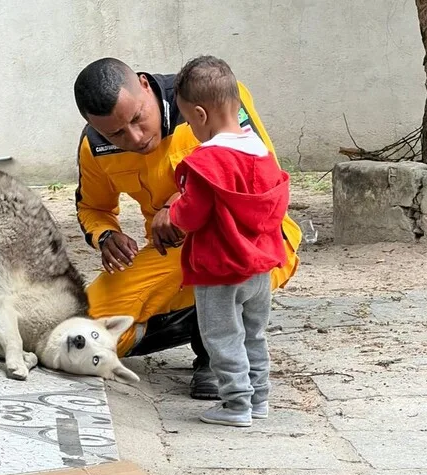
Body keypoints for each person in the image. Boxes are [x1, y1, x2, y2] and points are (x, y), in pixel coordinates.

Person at [72, 57, 301, 400]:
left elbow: (259, 176)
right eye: (115, 133)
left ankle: (215, 353)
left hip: (252, 240)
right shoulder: (95, 147)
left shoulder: (212, 97)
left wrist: (179, 203)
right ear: (95, 127)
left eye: (137, 119)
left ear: (144, 86)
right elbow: (93, 207)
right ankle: (196, 323)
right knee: (83, 333)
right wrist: (106, 235)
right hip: (175, 251)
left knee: (230, 277)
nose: (135, 138)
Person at [167, 55, 288, 426]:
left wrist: (171, 214)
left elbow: (191, 215)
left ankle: (235, 405)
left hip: (220, 269)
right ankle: (259, 398)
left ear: (200, 115)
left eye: (188, 120)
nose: (190, 126)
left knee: (222, 338)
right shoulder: (263, 155)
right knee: (254, 334)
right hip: (260, 267)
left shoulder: (208, 162)